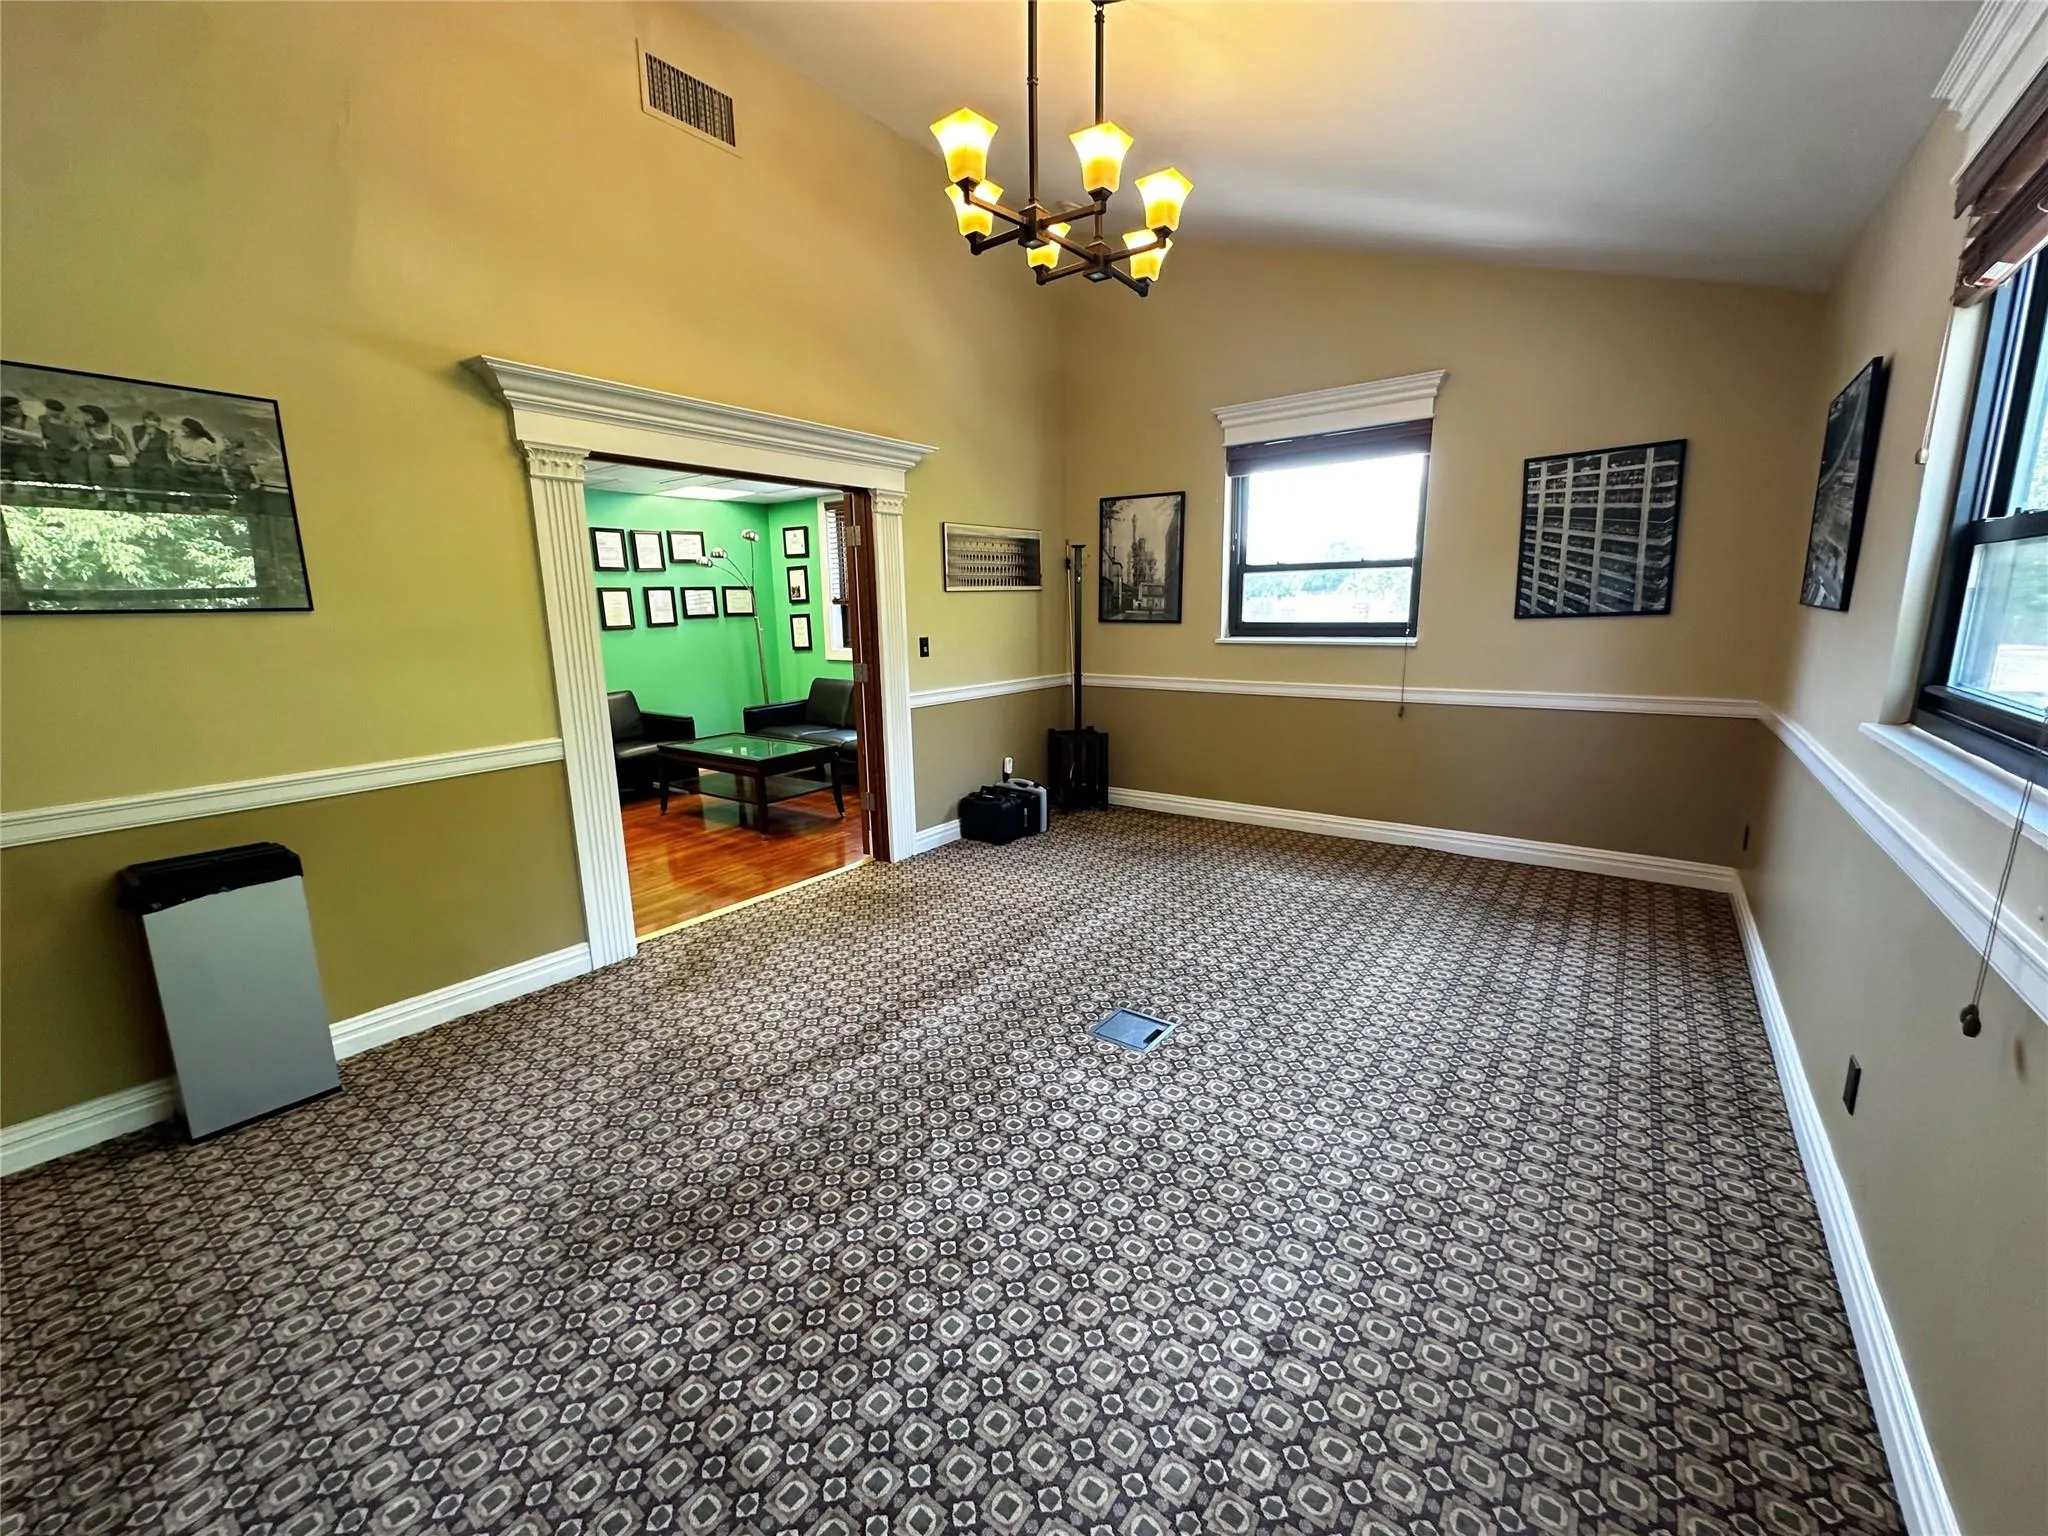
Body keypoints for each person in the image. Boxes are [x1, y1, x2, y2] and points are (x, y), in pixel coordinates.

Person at [78, 405, 133, 494]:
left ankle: (130, 498)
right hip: (97, 453)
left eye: (87, 416)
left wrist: (129, 454)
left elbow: (126, 441)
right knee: (97, 470)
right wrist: (83, 434)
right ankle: (101, 497)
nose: (85, 418)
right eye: (85, 416)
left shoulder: (114, 428)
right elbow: (85, 443)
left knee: (125, 472)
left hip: (115, 452)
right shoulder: (86, 429)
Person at [36, 400, 85, 489]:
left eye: (51, 411)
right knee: (43, 456)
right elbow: (43, 435)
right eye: (48, 410)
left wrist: (76, 447)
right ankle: (53, 481)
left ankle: (79, 485)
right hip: (53, 448)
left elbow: (81, 439)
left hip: (71, 450)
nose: (48, 412)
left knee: (68, 466)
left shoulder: (70, 423)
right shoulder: (43, 419)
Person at [169, 416, 222, 493]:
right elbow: (175, 453)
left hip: (200, 466)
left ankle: (204, 499)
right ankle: (176, 495)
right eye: (182, 429)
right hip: (183, 462)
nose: (183, 431)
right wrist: (185, 462)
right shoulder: (180, 439)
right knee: (172, 473)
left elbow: (214, 462)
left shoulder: (207, 443)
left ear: (192, 429)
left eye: (185, 429)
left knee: (205, 479)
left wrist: (206, 466)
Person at [0, 396, 44, 484]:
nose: (18, 409)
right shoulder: (2, 421)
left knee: (30, 454)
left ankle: (38, 480)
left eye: (18, 407)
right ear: (4, 409)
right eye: (13, 408)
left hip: (27, 447)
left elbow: (37, 438)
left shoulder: (29, 421)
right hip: (7, 447)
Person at [129, 410, 173, 495]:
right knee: (139, 474)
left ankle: (159, 499)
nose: (151, 422)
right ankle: (142, 499)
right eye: (148, 419)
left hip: (159, 459)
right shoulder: (137, 429)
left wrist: (171, 440)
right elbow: (141, 448)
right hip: (144, 457)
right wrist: (147, 435)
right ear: (144, 420)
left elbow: (168, 450)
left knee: (159, 475)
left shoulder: (163, 434)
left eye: (154, 420)